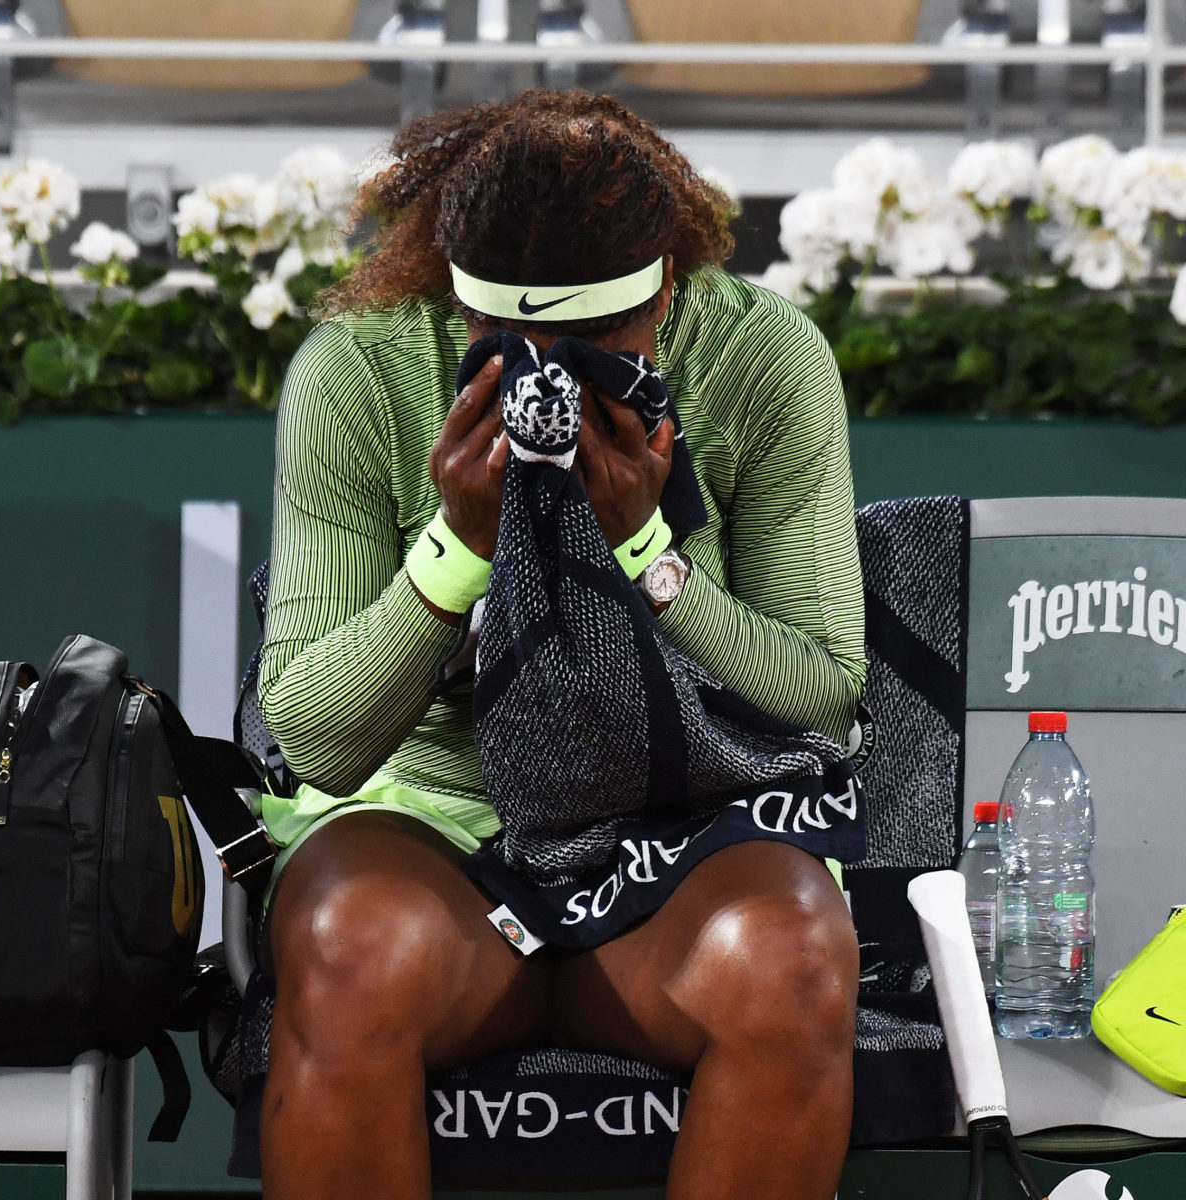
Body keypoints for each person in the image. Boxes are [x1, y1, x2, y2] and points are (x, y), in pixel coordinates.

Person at [256, 88, 867, 1200]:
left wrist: (649, 551)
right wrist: (455, 549)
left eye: (593, 345)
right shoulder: (359, 368)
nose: (549, 380)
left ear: (665, 290)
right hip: (433, 824)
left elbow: (823, 697)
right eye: (507, 344)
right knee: (350, 946)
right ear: (456, 296)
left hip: (685, 830)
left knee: (792, 960)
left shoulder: (761, 356)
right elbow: (315, 741)